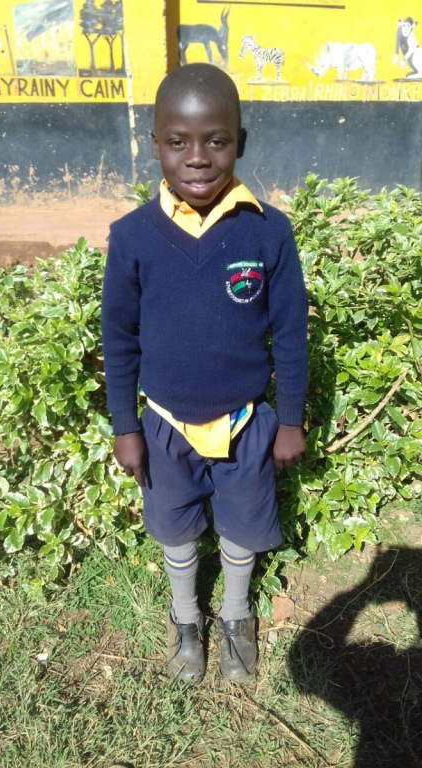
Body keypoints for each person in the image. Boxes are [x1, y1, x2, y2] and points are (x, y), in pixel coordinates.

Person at [101, 63, 308, 684]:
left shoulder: (268, 232)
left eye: (215, 141)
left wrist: (291, 419)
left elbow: (292, 334)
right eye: (178, 141)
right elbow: (119, 337)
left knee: (243, 527)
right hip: (164, 426)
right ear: (155, 143)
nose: (197, 158)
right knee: (175, 531)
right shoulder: (132, 236)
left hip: (246, 424)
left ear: (239, 143)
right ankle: (186, 616)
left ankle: (236, 613)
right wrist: (125, 426)